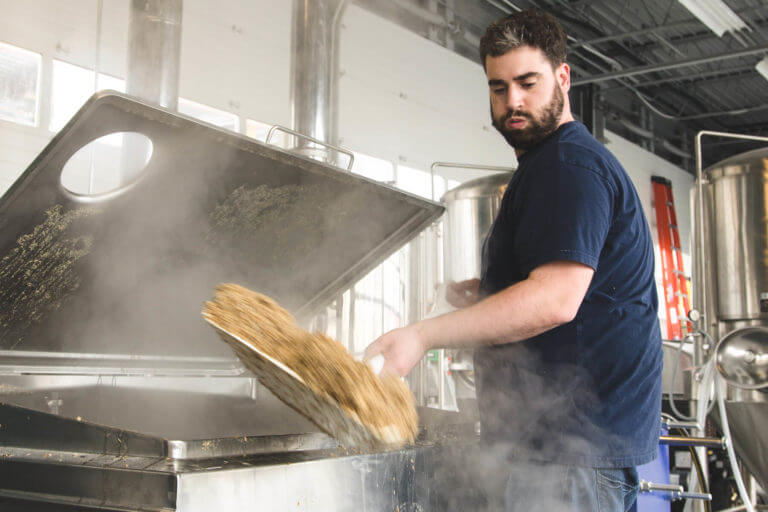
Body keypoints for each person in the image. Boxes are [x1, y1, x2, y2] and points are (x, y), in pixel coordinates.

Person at [364, 8, 662, 512]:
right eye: (498, 88)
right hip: (566, 452)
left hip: (568, 457)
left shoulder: (569, 165)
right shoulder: (552, 164)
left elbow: (555, 301)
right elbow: (574, 287)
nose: (513, 102)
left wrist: (423, 334)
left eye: (527, 82)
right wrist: (489, 292)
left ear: (562, 76)